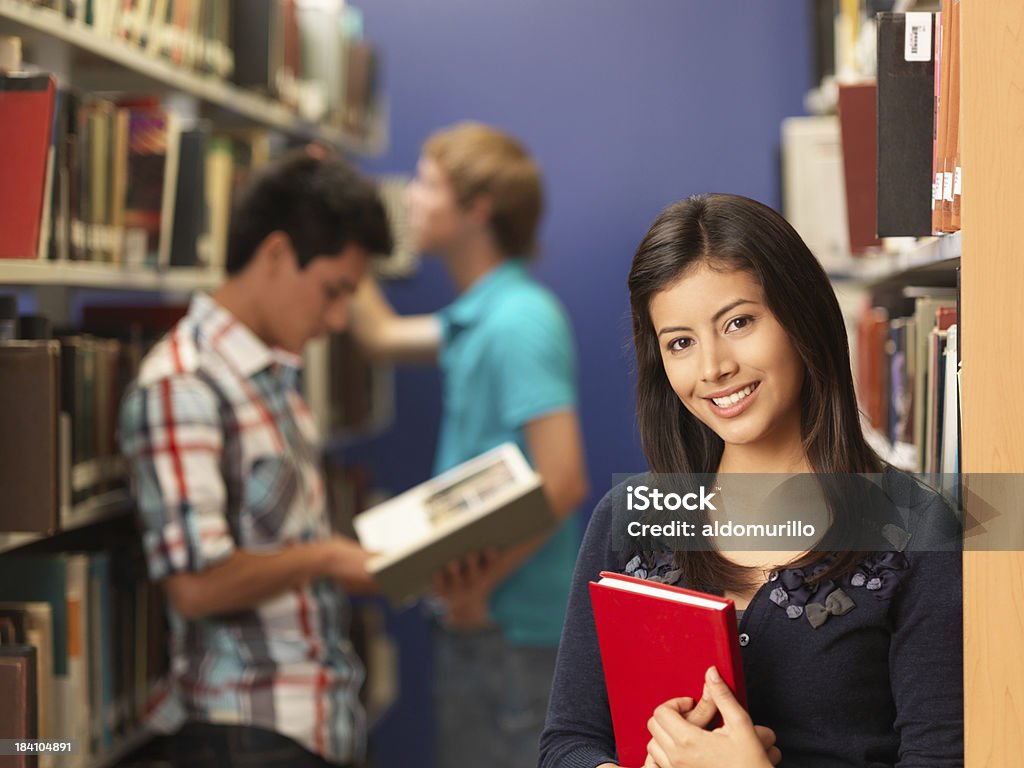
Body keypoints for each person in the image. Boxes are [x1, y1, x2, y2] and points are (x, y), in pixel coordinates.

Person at [538, 193, 963, 768]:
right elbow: (567, 744)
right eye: (680, 343)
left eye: (739, 322)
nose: (713, 367)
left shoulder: (917, 528)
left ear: (800, 317)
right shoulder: (630, 516)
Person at [118, 148, 394, 768]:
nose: (338, 318)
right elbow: (194, 585)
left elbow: (278, 546)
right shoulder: (182, 385)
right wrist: (327, 557)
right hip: (245, 733)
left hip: (318, 723)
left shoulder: (272, 379)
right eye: (332, 290)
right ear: (274, 254)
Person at [351, 121, 589, 768]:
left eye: (428, 183)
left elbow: (564, 479)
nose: (410, 198)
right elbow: (378, 337)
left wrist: (476, 590)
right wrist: (341, 223)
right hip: (484, 628)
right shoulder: (478, 319)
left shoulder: (520, 322)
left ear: (476, 210)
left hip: (510, 631)